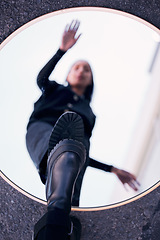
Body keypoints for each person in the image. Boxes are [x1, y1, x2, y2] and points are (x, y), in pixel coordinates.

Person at [26, 20, 139, 240]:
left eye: (86, 70)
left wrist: (112, 169)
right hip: (42, 132)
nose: (81, 71)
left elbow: (82, 151)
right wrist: (61, 51)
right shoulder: (55, 90)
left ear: (90, 81)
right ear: (68, 75)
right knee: (65, 153)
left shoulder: (88, 113)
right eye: (76, 67)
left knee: (70, 200)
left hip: (75, 154)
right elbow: (41, 79)